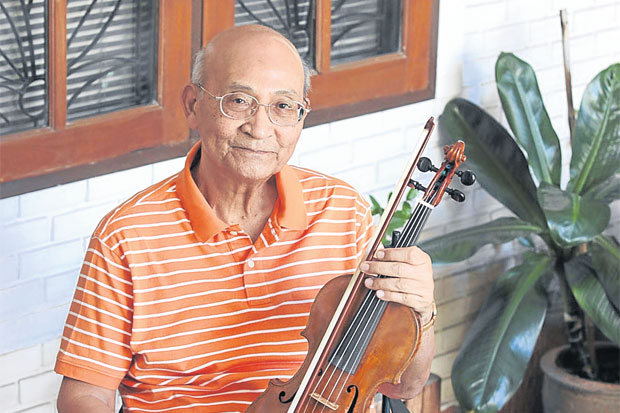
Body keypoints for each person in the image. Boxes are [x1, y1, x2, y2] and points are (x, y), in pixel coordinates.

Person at [55, 24, 435, 412]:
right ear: (193, 105)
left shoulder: (342, 209)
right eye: (239, 101)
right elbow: (85, 394)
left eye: (283, 106)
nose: (259, 129)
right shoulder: (125, 235)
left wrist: (421, 310)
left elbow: (402, 386)